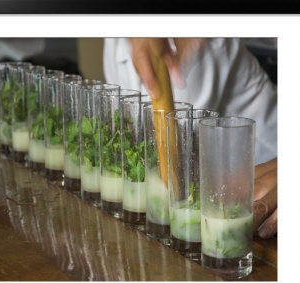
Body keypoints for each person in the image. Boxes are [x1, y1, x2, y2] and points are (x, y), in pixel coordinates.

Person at [103, 38, 277, 238]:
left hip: (269, 180)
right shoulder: (114, 40)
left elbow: (179, 158)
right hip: (215, 198)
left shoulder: (194, 42)